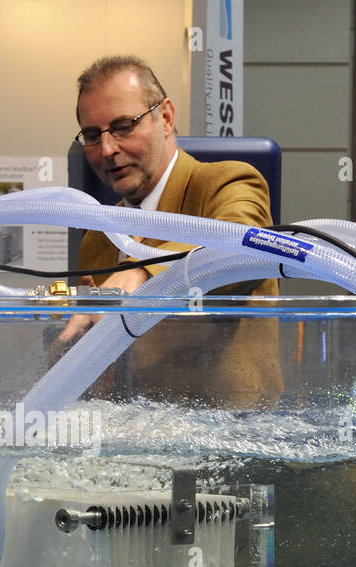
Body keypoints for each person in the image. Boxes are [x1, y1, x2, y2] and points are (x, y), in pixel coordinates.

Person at [61, 56, 282, 408]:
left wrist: (144, 271)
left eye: (123, 126)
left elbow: (245, 241)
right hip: (136, 442)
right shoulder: (99, 239)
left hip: (234, 441)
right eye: (92, 135)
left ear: (165, 118)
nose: (107, 149)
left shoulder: (226, 182)